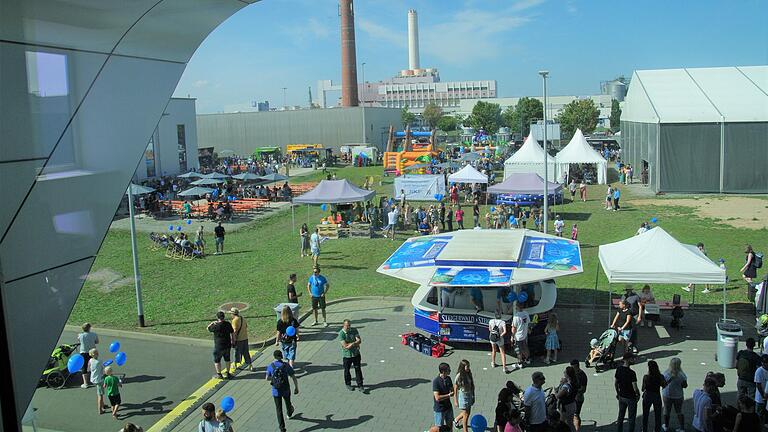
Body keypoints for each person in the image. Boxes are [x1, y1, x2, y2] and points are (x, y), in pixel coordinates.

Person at [266, 350, 299, 432]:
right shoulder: (286, 365)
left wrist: (274, 379)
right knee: (288, 402)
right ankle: (289, 413)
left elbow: (266, 378)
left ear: (274, 357)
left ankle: (282, 428)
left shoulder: (271, 366)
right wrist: (296, 387)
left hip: (276, 391)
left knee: (278, 409)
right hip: (286, 389)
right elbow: (293, 377)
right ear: (281, 356)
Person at [615, 353, 640, 432]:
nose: (634, 360)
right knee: (631, 418)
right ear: (627, 359)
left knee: (621, 416)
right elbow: (635, 387)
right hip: (631, 398)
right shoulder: (632, 373)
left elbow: (616, 383)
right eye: (632, 358)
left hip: (622, 396)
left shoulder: (619, 369)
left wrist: (618, 393)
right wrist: (638, 394)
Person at [662, 357, 687, 432]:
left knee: (666, 410)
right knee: (679, 411)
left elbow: (663, 384)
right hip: (678, 395)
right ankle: (682, 427)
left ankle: (666, 426)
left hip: (667, 394)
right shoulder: (682, 375)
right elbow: (685, 386)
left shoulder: (666, 373)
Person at [207, 311, 234, 379]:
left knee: (217, 360)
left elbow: (208, 329)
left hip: (219, 346)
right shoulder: (228, 324)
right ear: (224, 317)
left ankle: (219, 374)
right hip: (227, 345)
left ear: (217, 317)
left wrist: (212, 323)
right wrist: (232, 340)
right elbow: (232, 332)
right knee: (227, 359)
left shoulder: (215, 326)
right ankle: (228, 373)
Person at [339, 319, 364, 392]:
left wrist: (352, 344)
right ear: (343, 325)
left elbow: (359, 341)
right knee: (347, 370)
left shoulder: (354, 330)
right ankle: (348, 384)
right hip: (347, 356)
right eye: (347, 325)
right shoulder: (341, 334)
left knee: (358, 369)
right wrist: (354, 343)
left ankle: (360, 385)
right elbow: (346, 346)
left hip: (356, 354)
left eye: (349, 325)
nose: (348, 327)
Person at [641, 360, 666, 432]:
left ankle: (644, 429)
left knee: (645, 415)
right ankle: (657, 430)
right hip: (656, 396)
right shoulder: (660, 376)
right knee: (658, 416)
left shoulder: (646, 377)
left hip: (647, 396)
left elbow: (643, 389)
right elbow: (664, 385)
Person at [453, 359, 475, 432]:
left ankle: (456, 420)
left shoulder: (469, 373)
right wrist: (455, 400)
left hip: (469, 395)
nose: (468, 368)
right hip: (463, 397)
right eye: (467, 366)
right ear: (463, 367)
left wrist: (473, 396)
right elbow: (455, 388)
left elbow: (472, 385)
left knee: (467, 413)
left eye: (469, 366)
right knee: (465, 416)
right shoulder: (459, 376)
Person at [556, 366, 580, 432]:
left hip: (566, 407)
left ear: (568, 374)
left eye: (565, 372)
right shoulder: (575, 381)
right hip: (573, 404)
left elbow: (558, 396)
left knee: (561, 423)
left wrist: (560, 385)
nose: (564, 372)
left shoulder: (566, 387)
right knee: (570, 422)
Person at [230, 307, 253, 372]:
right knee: (246, 352)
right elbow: (246, 326)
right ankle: (250, 365)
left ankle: (235, 364)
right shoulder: (242, 318)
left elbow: (234, 331)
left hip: (238, 339)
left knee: (237, 353)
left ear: (233, 314)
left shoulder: (234, 320)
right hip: (245, 338)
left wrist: (233, 340)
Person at [77, 323, 99, 388]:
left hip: (84, 352)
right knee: (94, 365)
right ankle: (96, 380)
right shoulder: (94, 334)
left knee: (84, 367)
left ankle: (85, 383)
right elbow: (97, 342)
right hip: (93, 352)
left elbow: (79, 341)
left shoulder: (80, 335)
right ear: (89, 328)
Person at [433, 362, 455, 427]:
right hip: (440, 409)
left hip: (448, 407)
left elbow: (451, 388)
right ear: (443, 371)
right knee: (439, 428)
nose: (450, 371)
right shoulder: (436, 381)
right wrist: (448, 395)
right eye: (449, 370)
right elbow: (437, 398)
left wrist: (453, 390)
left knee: (450, 426)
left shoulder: (448, 379)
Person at [510, 303, 530, 370]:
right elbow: (528, 323)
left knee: (518, 351)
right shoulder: (526, 313)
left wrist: (512, 337)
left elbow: (514, 328)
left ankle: (520, 363)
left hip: (518, 337)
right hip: (524, 335)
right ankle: (527, 360)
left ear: (517, 307)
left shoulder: (516, 316)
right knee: (525, 347)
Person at [570, 360, 588, 431]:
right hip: (574, 398)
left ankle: (577, 430)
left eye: (572, 367)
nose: (572, 369)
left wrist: (574, 390)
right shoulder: (574, 373)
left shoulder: (582, 375)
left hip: (578, 398)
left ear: (576, 366)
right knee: (574, 415)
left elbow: (583, 389)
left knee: (576, 415)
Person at [87, 348, 106, 414]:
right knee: (100, 395)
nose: (97, 353)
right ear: (93, 354)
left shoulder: (90, 360)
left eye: (97, 351)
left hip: (93, 379)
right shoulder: (100, 361)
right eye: (95, 352)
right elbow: (103, 369)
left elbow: (88, 369)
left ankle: (103, 405)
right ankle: (100, 410)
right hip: (99, 380)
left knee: (100, 393)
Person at [754, 354, 768, 423]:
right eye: (765, 362)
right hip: (760, 398)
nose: (766, 364)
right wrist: (763, 396)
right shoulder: (759, 371)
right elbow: (758, 385)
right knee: (758, 414)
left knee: (765, 414)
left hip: (766, 397)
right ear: (762, 362)